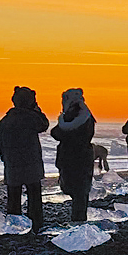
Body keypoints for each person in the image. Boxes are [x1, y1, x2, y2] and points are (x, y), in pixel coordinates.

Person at [0, 86, 49, 231]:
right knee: (34, 196)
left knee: (13, 196)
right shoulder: (30, 117)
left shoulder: (6, 120)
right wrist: (36, 109)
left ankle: (14, 225)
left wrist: (4, 158)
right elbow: (44, 124)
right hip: (30, 162)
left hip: (12, 162)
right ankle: (36, 225)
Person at [51, 88, 95, 222]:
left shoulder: (71, 115)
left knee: (75, 189)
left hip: (72, 157)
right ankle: (79, 218)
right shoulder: (87, 115)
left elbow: (57, 133)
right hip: (84, 157)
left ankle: (78, 220)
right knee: (81, 191)